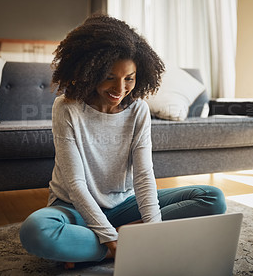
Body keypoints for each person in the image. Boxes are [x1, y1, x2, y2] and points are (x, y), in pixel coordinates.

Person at [19, 14, 226, 269]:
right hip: (74, 208)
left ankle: (94, 248)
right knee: (35, 231)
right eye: (109, 76)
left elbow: (143, 175)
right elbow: (75, 184)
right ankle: (121, 241)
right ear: (89, 72)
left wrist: (154, 231)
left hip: (124, 204)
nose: (120, 87)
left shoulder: (138, 109)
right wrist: (109, 236)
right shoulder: (67, 107)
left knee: (212, 198)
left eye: (129, 77)